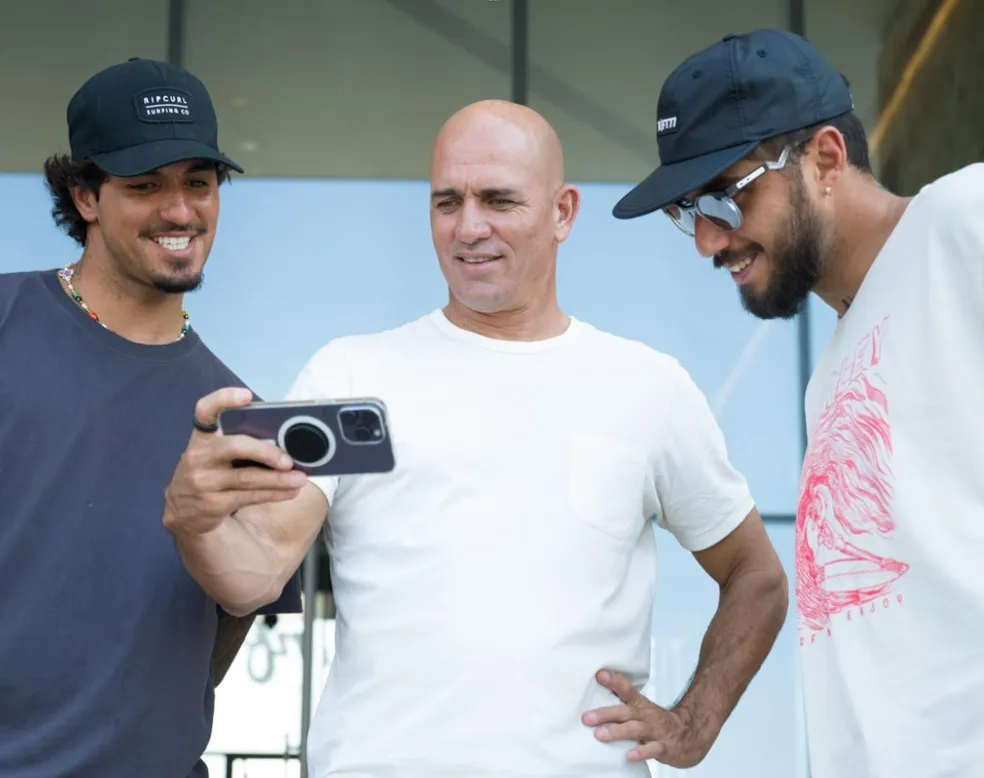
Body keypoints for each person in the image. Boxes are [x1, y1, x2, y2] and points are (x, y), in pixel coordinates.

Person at [162, 99, 789, 778]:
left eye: (498, 200)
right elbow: (254, 573)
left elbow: (756, 577)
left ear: (563, 213)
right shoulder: (350, 374)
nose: (469, 228)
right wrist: (194, 520)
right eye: (447, 202)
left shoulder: (648, 388)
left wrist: (696, 721)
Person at [613, 27, 984, 778]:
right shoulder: (833, 371)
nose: (706, 242)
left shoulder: (964, 220)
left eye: (723, 195)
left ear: (824, 160)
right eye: (687, 211)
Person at [0, 58, 302, 777]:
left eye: (198, 183)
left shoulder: (237, 417)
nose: (179, 211)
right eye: (145, 186)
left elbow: (224, 632)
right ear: (85, 196)